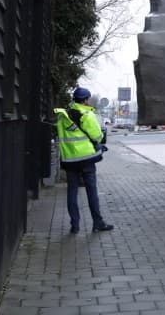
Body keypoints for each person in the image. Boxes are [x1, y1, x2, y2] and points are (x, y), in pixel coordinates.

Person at [54, 87, 114, 234]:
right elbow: (97, 137)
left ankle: (74, 226)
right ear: (86, 100)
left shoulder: (62, 116)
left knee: (72, 192)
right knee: (91, 191)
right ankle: (98, 223)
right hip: (86, 159)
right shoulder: (87, 115)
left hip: (69, 160)